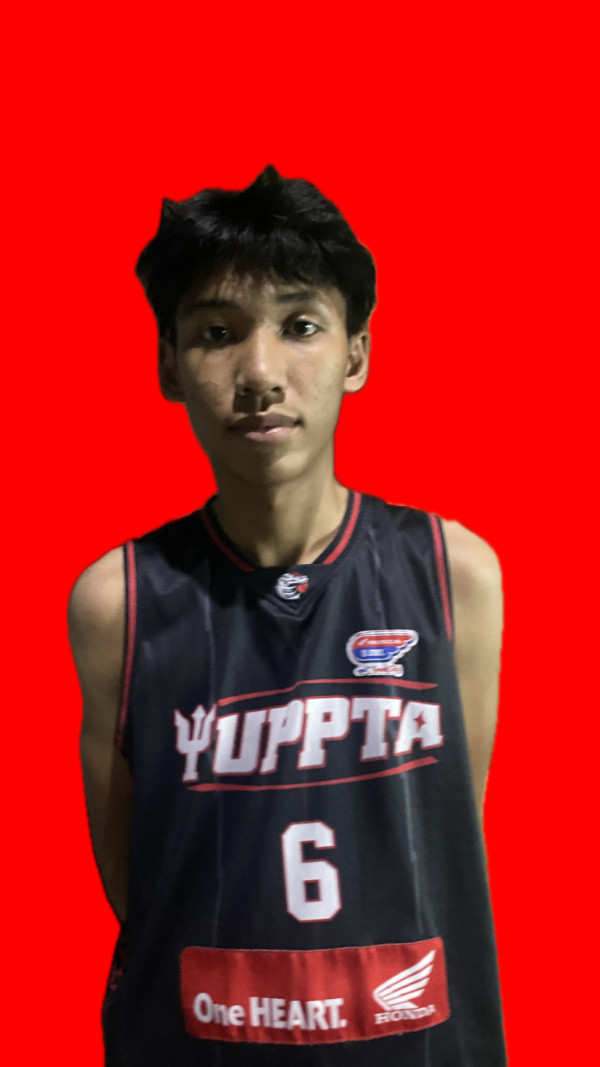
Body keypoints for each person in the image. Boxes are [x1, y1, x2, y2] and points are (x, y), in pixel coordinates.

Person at [68, 165, 506, 1066]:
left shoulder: (454, 572)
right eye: (217, 333)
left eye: (300, 326)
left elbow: (443, 838)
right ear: (168, 364)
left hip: (413, 1035)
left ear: (357, 355)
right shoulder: (118, 599)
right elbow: (139, 879)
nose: (260, 373)